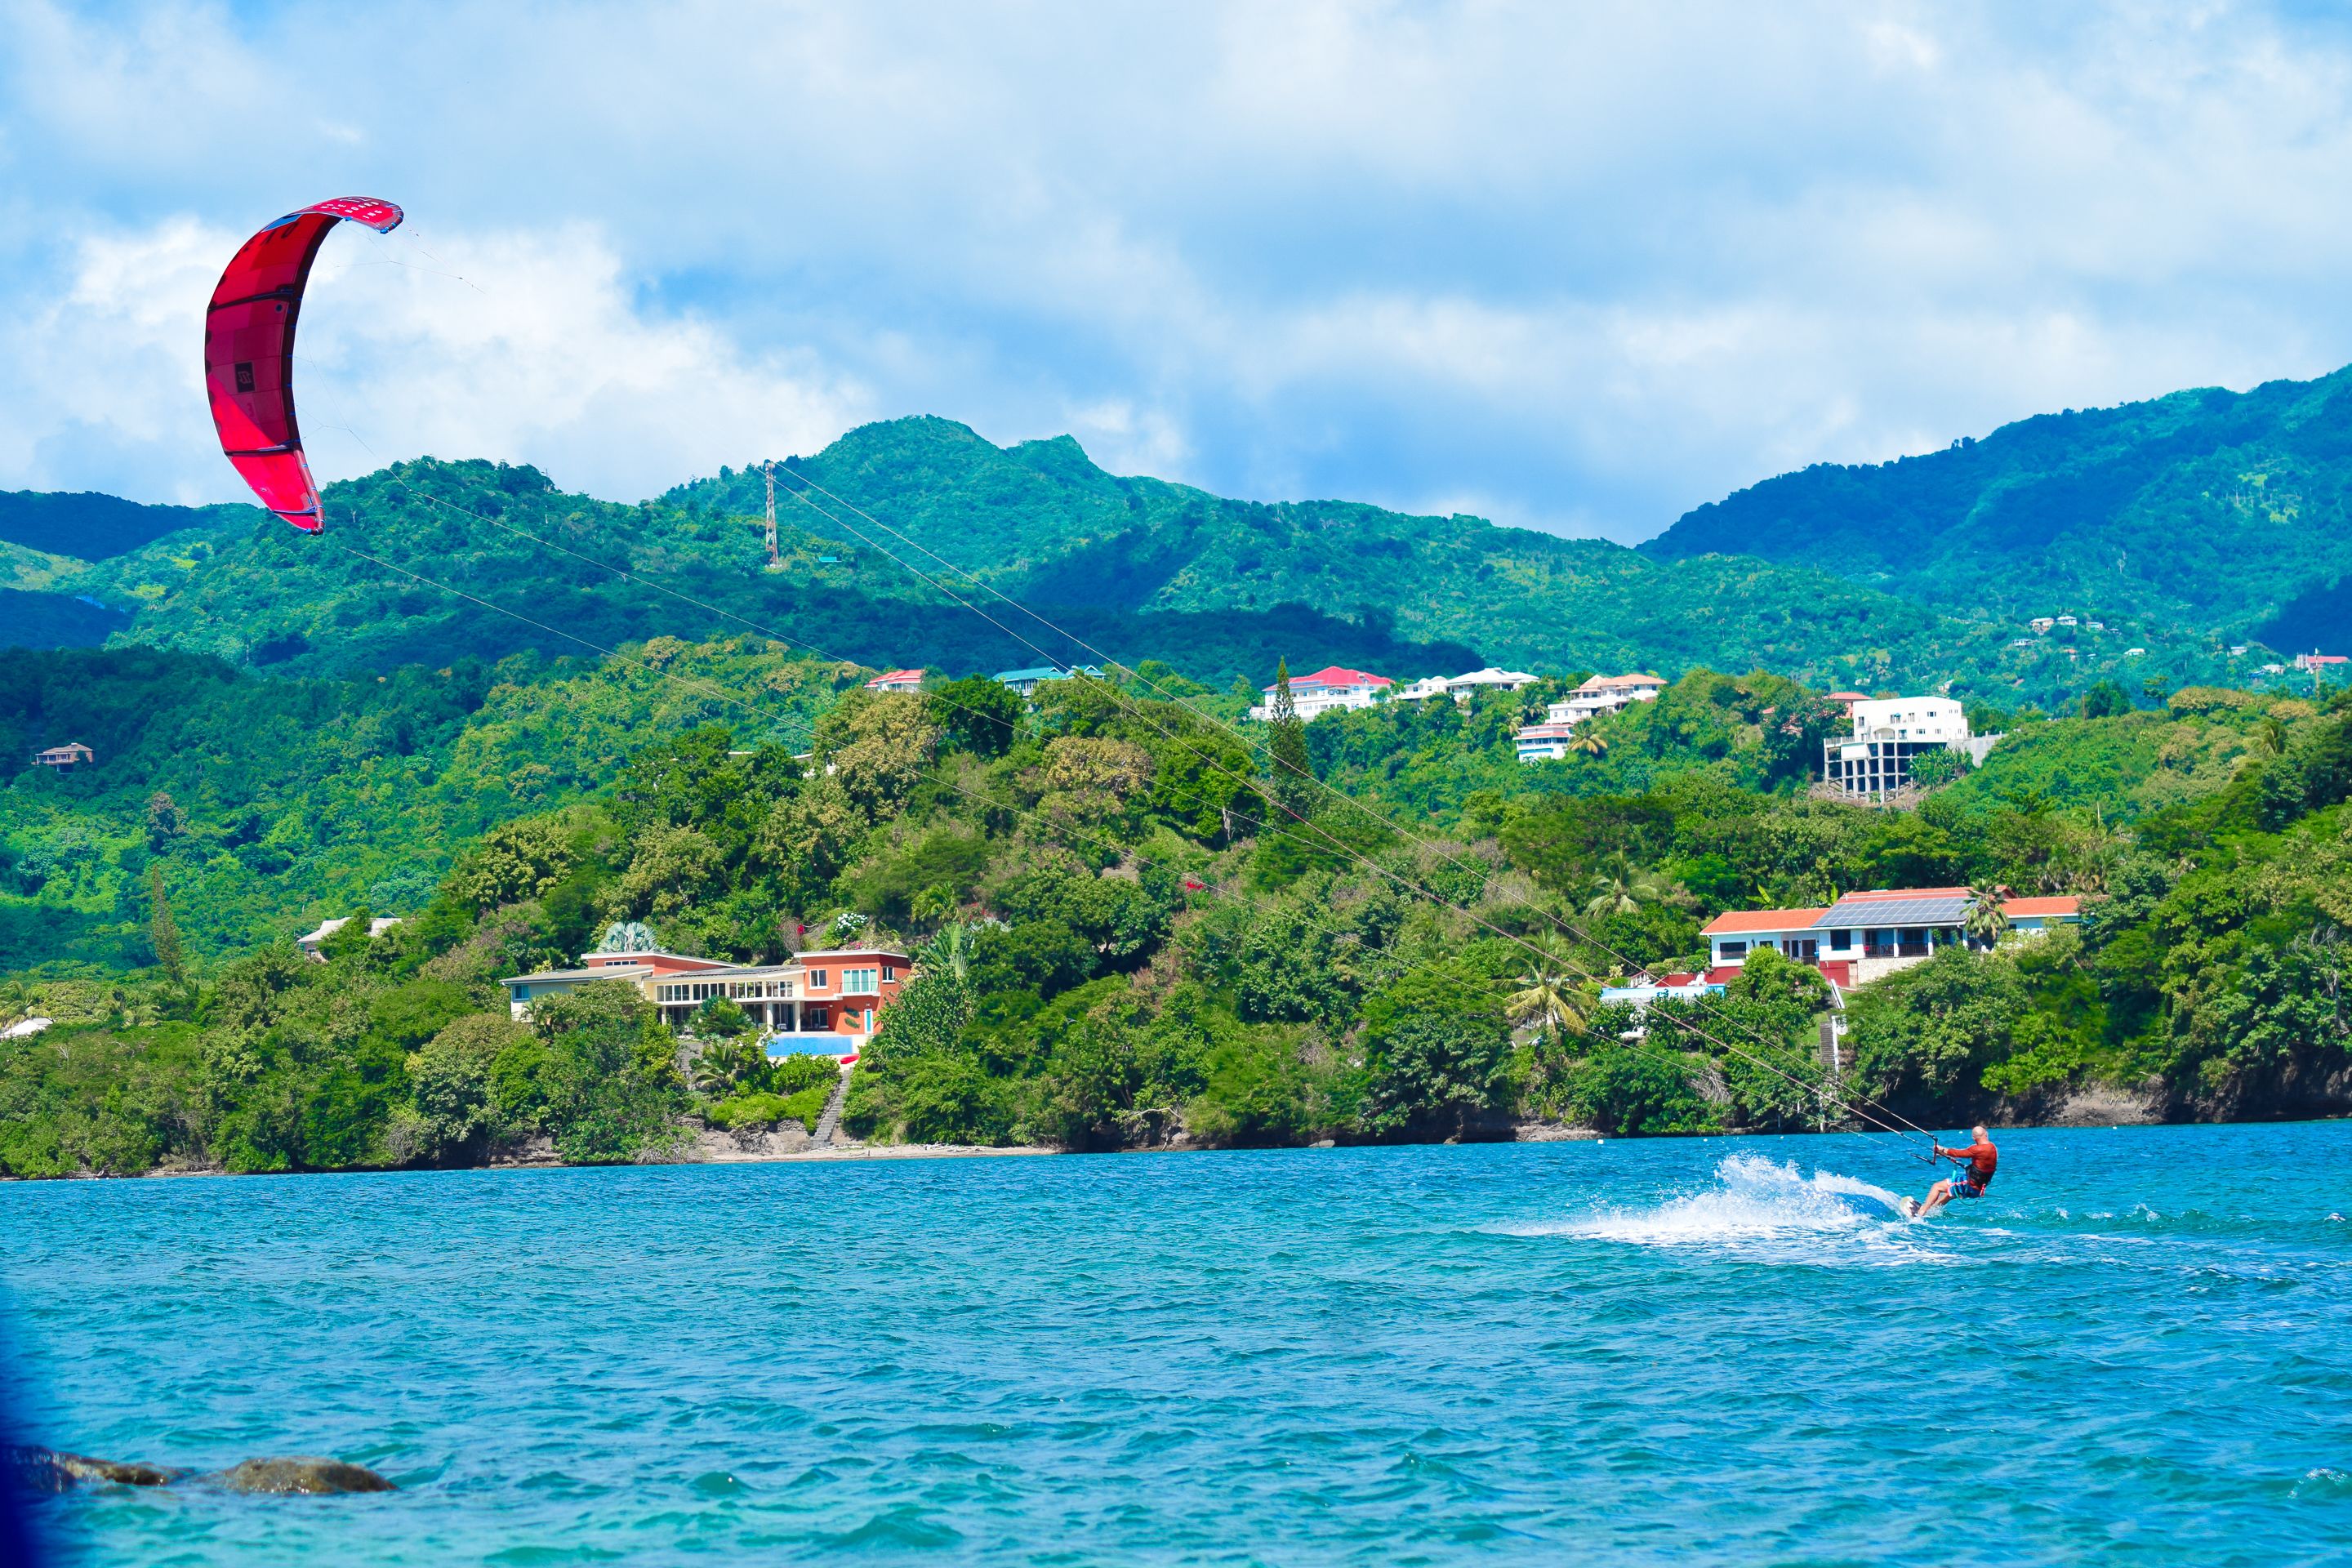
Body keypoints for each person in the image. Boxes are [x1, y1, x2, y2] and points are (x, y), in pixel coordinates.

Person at [1907, 1125, 1998, 1218]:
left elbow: (1958, 1153)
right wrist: (1943, 1152)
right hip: (1979, 1187)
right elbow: (1979, 1161)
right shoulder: (1992, 1147)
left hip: (1971, 1185)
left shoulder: (1977, 1149)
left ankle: (1920, 1213)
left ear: (1973, 1138)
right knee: (1950, 1193)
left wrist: (1941, 1149)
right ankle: (1931, 1211)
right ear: (1986, 1134)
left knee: (1937, 1187)